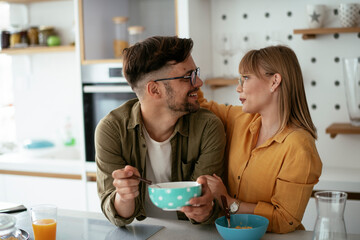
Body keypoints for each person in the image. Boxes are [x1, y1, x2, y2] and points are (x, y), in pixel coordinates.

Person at [95, 36, 226, 227]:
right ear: (155, 90)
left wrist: (204, 209)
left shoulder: (208, 127)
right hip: (139, 232)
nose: (199, 82)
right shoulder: (111, 130)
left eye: (195, 73)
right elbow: (117, 216)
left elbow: (205, 206)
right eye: (187, 76)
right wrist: (124, 196)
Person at [199, 45, 322, 233]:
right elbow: (200, 105)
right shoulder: (240, 119)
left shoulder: (299, 146)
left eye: (246, 78)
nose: (239, 87)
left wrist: (230, 202)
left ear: (274, 81)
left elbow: (284, 219)